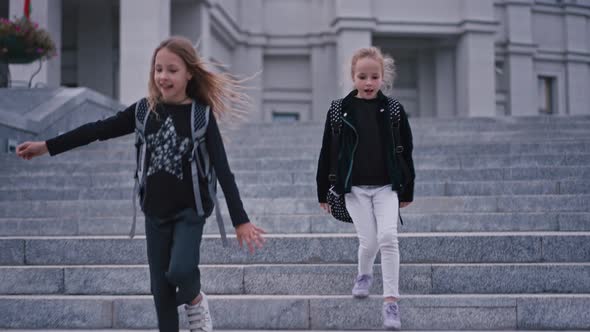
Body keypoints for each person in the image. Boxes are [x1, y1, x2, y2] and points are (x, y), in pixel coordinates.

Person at [16, 36, 265, 332]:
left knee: (181, 271)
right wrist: (47, 145)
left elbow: (223, 170)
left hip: (190, 212)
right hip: (155, 212)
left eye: (172, 70)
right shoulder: (144, 111)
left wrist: (241, 220)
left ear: (189, 74)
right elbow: (97, 130)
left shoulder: (201, 115)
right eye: (158, 69)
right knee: (160, 293)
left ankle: (196, 300)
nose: (163, 76)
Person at [316, 46, 415, 330]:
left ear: (383, 77)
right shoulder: (338, 110)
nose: (368, 82)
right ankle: (364, 274)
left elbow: (406, 151)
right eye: (362, 77)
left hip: (387, 187)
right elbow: (327, 151)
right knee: (369, 242)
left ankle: (391, 303)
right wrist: (322, 189)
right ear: (353, 77)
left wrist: (407, 190)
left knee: (388, 237)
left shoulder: (394, 109)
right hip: (354, 189)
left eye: (374, 77)